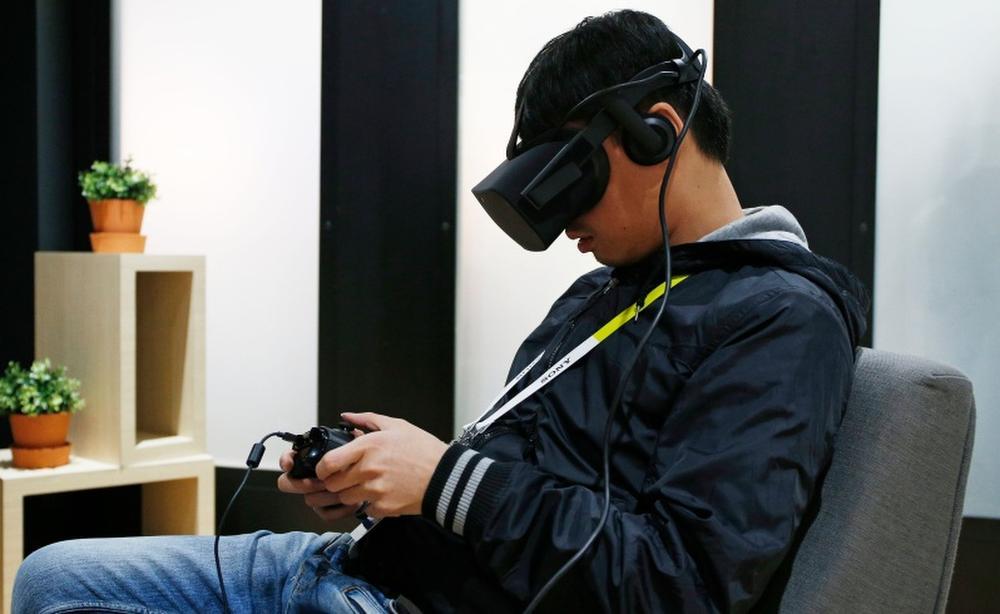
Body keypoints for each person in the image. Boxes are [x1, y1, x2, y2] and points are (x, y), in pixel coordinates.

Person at [12, 9, 868, 614]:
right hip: (356, 566)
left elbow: (681, 585)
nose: (564, 226)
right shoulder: (608, 290)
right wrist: (390, 485)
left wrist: (448, 482)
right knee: (51, 578)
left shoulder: (779, 319)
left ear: (656, 132)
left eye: (571, 187)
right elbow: (528, 484)